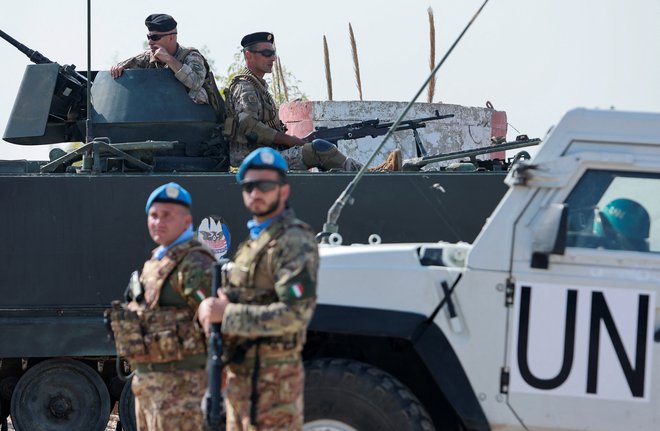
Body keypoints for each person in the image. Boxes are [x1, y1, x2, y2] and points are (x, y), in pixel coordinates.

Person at [198, 147, 319, 430]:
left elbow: (295, 315)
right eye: (249, 186)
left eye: (265, 186)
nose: (256, 193)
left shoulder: (293, 241)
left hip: (272, 388)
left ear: (283, 191)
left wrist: (225, 314)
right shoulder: (252, 244)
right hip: (242, 382)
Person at [225, 31, 401, 172]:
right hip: (254, 159)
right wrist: (289, 140)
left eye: (273, 53)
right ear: (249, 56)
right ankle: (371, 174)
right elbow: (248, 125)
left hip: (268, 154)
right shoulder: (245, 87)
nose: (273, 58)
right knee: (319, 149)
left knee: (321, 145)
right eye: (266, 53)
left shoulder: (258, 86)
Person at [125, 182, 215, 430]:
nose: (158, 222)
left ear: (187, 222)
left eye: (167, 216)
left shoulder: (194, 262)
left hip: (182, 387)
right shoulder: (157, 260)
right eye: (153, 216)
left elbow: (217, 325)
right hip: (150, 383)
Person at [110, 14, 224, 119]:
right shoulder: (148, 57)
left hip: (194, 120)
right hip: (160, 118)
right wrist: (118, 69)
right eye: (148, 37)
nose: (150, 42)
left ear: (171, 38)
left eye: (155, 38)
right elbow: (123, 66)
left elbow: (196, 83)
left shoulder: (191, 56)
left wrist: (169, 60)